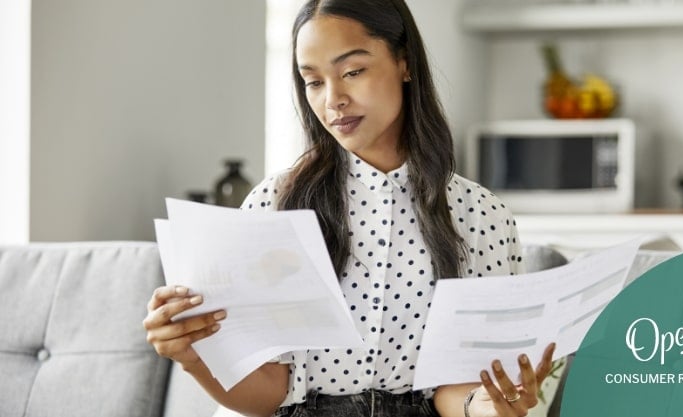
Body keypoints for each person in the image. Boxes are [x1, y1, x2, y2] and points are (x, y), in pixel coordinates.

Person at [143, 0, 555, 416]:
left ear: (404, 63)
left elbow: (457, 390)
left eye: (352, 72)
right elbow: (270, 392)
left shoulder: (481, 215)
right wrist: (192, 356)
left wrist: (485, 407)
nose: (333, 100)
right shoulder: (274, 205)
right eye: (313, 82)